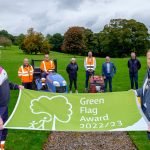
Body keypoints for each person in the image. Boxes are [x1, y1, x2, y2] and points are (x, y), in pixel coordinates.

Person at [0, 66, 24, 149]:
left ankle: (2, 147)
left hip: (4, 106)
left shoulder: (2, 70)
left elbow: (6, 83)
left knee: (4, 128)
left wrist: (17, 86)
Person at [136, 50, 150, 139]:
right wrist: (135, 92)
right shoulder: (148, 73)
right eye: (149, 58)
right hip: (148, 119)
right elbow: (145, 89)